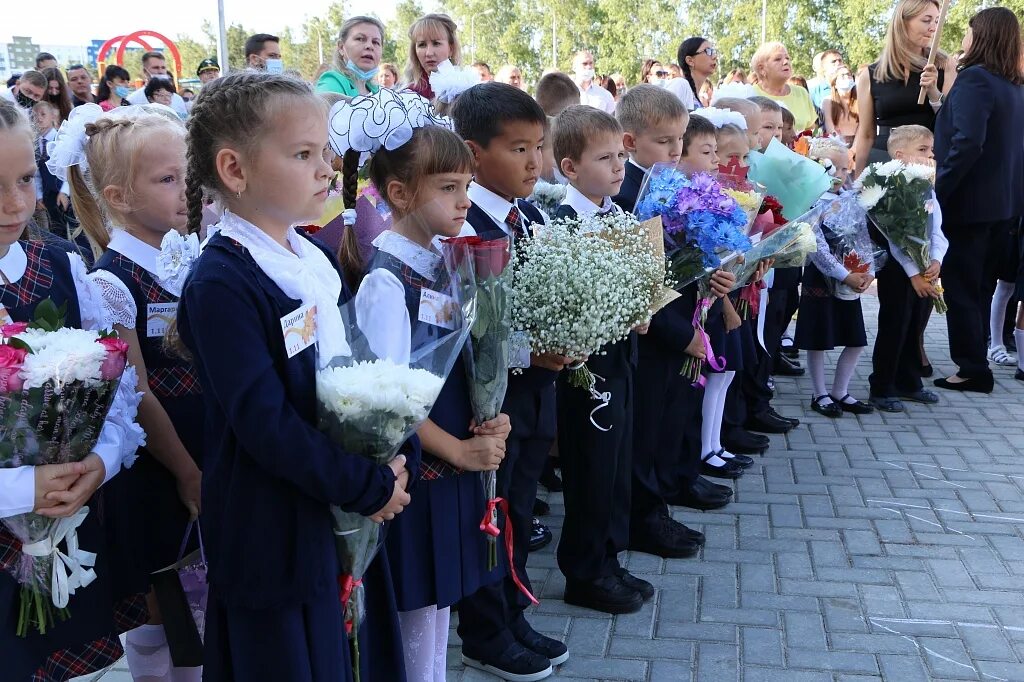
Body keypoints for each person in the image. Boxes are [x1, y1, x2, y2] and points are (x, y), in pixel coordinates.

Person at [177, 71, 411, 682]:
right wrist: (365, 484)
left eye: (326, 153)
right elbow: (266, 426)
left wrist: (387, 439)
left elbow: (343, 374)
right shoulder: (223, 283)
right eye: (304, 155)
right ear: (235, 169)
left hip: (332, 508)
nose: (326, 170)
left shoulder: (307, 258)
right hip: (275, 535)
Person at [332, 93, 507, 681]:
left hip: (452, 463)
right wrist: (457, 449)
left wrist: (490, 414)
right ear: (401, 194)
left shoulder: (444, 261)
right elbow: (388, 405)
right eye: (448, 188)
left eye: (466, 185)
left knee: (437, 612)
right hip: (422, 474)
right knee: (413, 615)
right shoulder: (387, 281)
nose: (464, 201)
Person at [54, 103, 204, 682]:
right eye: (168, 179)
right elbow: (137, 391)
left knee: (202, 597)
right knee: (160, 603)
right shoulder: (111, 283)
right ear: (117, 196)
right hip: (158, 464)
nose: (185, 190)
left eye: (187, 174)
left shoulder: (191, 256)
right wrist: (188, 471)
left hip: (207, 443)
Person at [0, 98, 147, 682]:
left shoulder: (62, 267)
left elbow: (118, 391)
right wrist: (19, 488)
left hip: (61, 531)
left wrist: (100, 460)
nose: (16, 204)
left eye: (24, 179)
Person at [452, 82, 569, 682]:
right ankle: (484, 632)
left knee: (519, 509)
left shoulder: (533, 215)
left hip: (532, 396)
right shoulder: (463, 224)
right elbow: (465, 327)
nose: (534, 162)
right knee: (489, 518)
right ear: (474, 155)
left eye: (539, 147)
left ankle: (514, 610)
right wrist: (531, 349)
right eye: (519, 148)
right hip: (488, 406)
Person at [614, 86, 732, 548]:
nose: (675, 150)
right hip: (653, 331)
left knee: (666, 420)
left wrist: (711, 280)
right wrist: (679, 333)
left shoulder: (667, 185)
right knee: (643, 431)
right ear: (630, 142)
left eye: (680, 139)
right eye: (665, 141)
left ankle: (658, 502)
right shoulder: (626, 193)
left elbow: (685, 260)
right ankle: (644, 517)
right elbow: (639, 280)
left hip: (680, 322)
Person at [549, 104, 652, 615]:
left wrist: (645, 305)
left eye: (620, 156)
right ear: (569, 168)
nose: (618, 167)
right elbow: (566, 302)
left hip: (621, 359)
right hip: (586, 371)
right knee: (590, 470)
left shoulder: (620, 216)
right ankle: (584, 570)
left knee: (615, 467)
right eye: (605, 158)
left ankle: (609, 557)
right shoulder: (562, 224)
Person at [933, 7, 1024, 394]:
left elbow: (967, 143)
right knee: (980, 286)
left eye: (969, 31)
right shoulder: (1014, 86)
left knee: (962, 288)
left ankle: (971, 368)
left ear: (982, 36)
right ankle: (975, 361)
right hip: (1004, 206)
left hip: (969, 204)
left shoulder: (976, 80)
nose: (963, 38)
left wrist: (941, 190)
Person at [869, 125, 946, 411]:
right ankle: (883, 385)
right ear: (900, 155)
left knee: (916, 325)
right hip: (898, 270)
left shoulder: (926, 183)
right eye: (923, 150)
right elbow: (894, 234)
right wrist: (913, 272)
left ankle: (910, 380)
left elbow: (936, 227)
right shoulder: (886, 185)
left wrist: (935, 259)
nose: (931, 155)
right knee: (895, 324)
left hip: (925, 269)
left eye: (931, 149)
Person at [796, 137, 875, 417]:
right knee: (819, 337)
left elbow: (863, 239)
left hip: (851, 278)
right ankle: (820, 393)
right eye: (834, 169)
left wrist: (867, 270)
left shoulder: (850, 200)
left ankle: (841, 390)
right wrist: (843, 274)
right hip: (822, 278)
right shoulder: (811, 201)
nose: (841, 175)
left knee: (855, 339)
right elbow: (815, 246)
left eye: (845, 170)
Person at [852, 0, 957, 173]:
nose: (933, 28)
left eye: (936, 21)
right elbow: (866, 134)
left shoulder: (944, 66)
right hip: (884, 160)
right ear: (903, 21)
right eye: (926, 20)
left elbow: (951, 122)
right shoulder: (870, 75)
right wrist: (858, 178)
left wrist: (934, 93)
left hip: (927, 161)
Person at [750, 42, 817, 132]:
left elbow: (811, 129)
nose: (786, 62)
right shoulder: (751, 94)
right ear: (762, 69)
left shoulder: (801, 92)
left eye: (787, 58)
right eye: (778, 59)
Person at [31, 100, 72, 236]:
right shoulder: (35, 143)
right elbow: (35, 173)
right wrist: (39, 196)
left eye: (43, 114)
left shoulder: (60, 139)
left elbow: (69, 169)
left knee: (69, 225)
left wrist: (65, 192)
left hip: (63, 190)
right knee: (54, 227)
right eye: (35, 116)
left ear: (52, 116)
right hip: (48, 194)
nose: (39, 119)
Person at [316, 16, 385, 97]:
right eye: (360, 39)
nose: (369, 46)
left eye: (376, 42)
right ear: (341, 47)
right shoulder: (332, 83)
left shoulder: (377, 90)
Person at [404, 14, 461, 100]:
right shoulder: (407, 97)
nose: (429, 53)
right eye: (422, 45)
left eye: (436, 43)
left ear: (451, 48)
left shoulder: (466, 90)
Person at [126, 52, 188, 118]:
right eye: (156, 68)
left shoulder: (177, 99)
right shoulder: (133, 100)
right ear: (145, 71)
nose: (160, 71)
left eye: (163, 68)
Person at [678, 37, 719, 108]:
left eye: (713, 51)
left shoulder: (697, 100)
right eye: (708, 51)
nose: (714, 56)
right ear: (690, 61)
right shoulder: (680, 85)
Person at [822, 66, 859, 145]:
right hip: (838, 143)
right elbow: (830, 128)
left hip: (859, 142)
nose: (846, 77)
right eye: (842, 75)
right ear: (835, 83)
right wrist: (841, 145)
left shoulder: (860, 99)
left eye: (848, 75)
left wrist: (854, 148)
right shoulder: (828, 101)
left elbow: (863, 126)